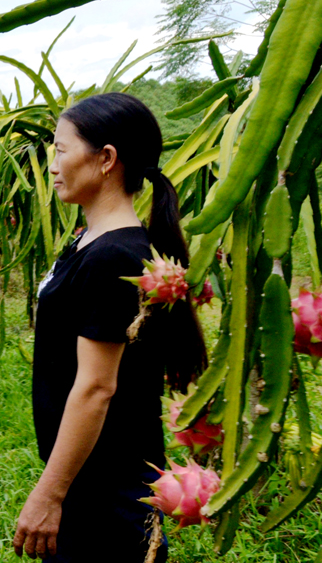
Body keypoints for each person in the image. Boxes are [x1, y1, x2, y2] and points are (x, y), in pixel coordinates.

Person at [13, 93, 207, 562]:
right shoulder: (89, 242)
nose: (53, 164)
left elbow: (97, 387)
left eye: (61, 149)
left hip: (108, 481)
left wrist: (48, 494)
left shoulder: (114, 257)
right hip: (92, 472)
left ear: (105, 159)